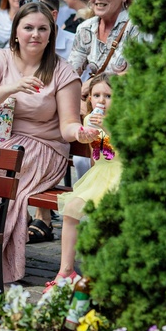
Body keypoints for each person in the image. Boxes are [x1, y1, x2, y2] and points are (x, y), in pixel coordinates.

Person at [0, 2, 100, 286]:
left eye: (42, 29)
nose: (35, 34)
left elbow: (67, 125)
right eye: (28, 28)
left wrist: (81, 133)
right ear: (15, 33)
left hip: (42, 147)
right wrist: (12, 87)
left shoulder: (62, 72)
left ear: (52, 34)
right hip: (2, 140)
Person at [45, 74, 119, 291]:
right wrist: (85, 136)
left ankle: (106, 273)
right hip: (100, 176)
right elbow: (97, 157)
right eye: (96, 95)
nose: (101, 101)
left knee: (107, 216)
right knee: (71, 209)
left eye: (108, 95)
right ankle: (66, 271)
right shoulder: (89, 120)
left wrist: (109, 127)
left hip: (122, 175)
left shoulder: (125, 120)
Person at [68, 0, 141, 83]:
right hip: (96, 100)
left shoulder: (137, 27)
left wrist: (94, 83)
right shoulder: (86, 28)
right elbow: (70, 74)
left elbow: (143, 73)